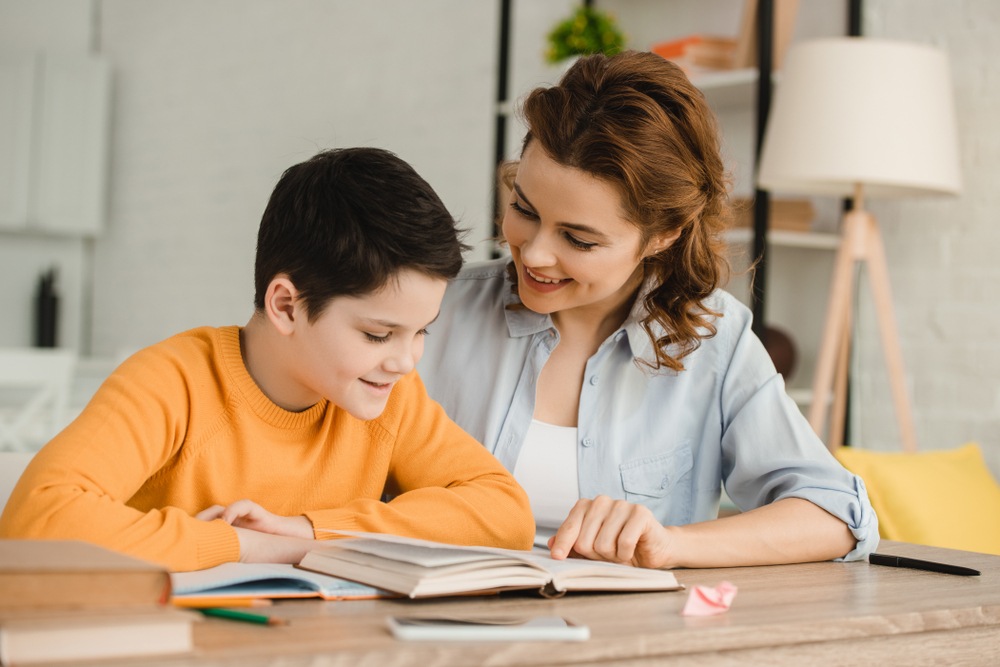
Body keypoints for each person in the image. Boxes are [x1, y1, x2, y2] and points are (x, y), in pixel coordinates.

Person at [417, 51, 878, 569]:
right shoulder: (431, 312)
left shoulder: (713, 341)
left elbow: (836, 513)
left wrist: (674, 544)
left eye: (579, 239)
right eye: (524, 209)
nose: (535, 252)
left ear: (663, 235)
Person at [0, 147, 534, 572]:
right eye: (378, 334)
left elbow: (505, 512)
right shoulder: (172, 382)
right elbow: (36, 520)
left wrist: (306, 532)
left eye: (421, 332)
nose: (405, 361)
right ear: (286, 305)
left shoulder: (388, 398)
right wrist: (244, 545)